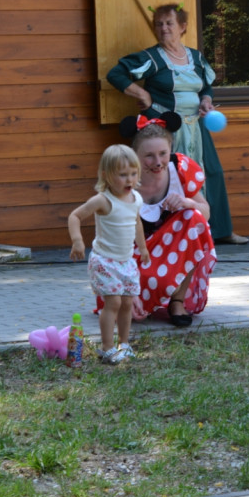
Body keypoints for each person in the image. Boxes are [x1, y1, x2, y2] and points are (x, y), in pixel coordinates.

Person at [106, 2, 248, 245]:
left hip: (197, 128)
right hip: (165, 130)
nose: (163, 28)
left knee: (211, 173)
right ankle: (176, 237)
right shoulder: (151, 58)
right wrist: (140, 94)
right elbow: (115, 74)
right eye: (159, 24)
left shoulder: (195, 57)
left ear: (183, 27)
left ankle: (221, 231)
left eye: (169, 23)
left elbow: (206, 86)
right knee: (172, 179)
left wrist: (206, 100)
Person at [102, 113, 217, 327]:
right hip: (132, 259)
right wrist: (128, 291)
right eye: (149, 156)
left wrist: (186, 202)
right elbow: (113, 244)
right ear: (134, 155)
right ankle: (135, 295)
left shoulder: (180, 169)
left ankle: (177, 301)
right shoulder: (122, 183)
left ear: (171, 149)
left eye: (163, 153)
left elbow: (206, 214)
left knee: (194, 217)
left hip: (173, 255)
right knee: (130, 312)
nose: (158, 162)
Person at [67, 144, 150, 364]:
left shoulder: (136, 198)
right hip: (104, 260)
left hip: (126, 261)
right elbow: (75, 216)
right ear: (107, 175)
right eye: (122, 175)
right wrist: (77, 241)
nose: (129, 180)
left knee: (126, 303)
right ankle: (106, 347)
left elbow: (136, 222)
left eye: (133, 174)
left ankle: (124, 344)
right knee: (112, 303)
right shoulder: (103, 200)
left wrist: (142, 248)